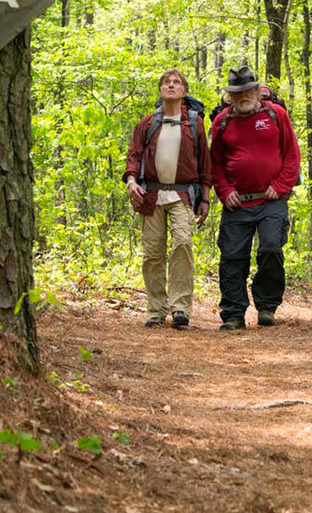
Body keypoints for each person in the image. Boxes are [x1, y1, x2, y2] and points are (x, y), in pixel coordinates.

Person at [210, 64, 301, 331]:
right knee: (232, 256)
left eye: (248, 90)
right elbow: (215, 163)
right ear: (230, 96)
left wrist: (281, 185)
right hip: (237, 202)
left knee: (271, 248)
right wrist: (224, 191)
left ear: (257, 91)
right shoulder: (222, 122)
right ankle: (233, 313)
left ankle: (267, 306)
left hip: (272, 199)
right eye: (237, 93)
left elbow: (292, 155)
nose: (244, 96)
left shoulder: (276, 115)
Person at [123, 69, 212, 329]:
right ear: (160, 90)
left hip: (183, 194)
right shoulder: (148, 123)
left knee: (182, 244)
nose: (171, 86)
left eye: (176, 83)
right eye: (166, 83)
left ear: (184, 91)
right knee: (152, 253)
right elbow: (134, 155)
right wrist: (130, 181)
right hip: (151, 194)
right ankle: (155, 309)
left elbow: (204, 162)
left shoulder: (194, 124)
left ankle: (181, 308)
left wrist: (205, 197)